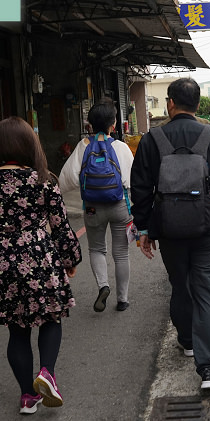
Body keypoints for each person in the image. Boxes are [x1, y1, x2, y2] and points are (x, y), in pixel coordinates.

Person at [131, 78, 210, 390]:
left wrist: (144, 228)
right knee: (208, 290)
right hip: (209, 230)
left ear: (170, 103)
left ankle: (187, 340)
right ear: (196, 105)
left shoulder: (152, 139)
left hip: (169, 230)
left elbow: (140, 188)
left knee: (180, 285)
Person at [0, 116, 81, 415]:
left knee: (17, 331)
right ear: (30, 143)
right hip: (41, 256)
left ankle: (28, 396)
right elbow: (60, 225)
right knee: (51, 318)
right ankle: (47, 373)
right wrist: (70, 258)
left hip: (3, 262)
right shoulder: (43, 179)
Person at [59, 99, 135, 312]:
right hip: (119, 205)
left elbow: (67, 180)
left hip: (92, 207)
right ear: (114, 124)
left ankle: (103, 286)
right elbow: (131, 180)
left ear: (89, 125)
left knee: (97, 249)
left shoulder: (83, 147)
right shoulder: (121, 147)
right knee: (121, 253)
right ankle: (123, 299)